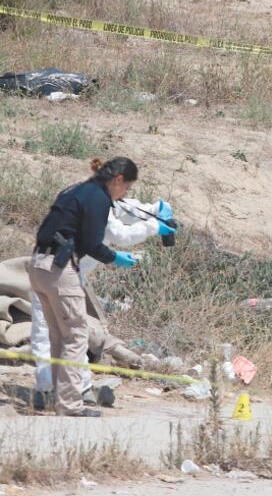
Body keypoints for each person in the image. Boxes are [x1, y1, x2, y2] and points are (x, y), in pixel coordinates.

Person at [30, 160, 175, 410]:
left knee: (55, 335)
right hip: (61, 271)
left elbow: (123, 209)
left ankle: (60, 390)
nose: (126, 194)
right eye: (127, 188)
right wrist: (117, 255)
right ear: (118, 179)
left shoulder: (80, 190)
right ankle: (71, 397)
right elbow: (107, 236)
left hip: (40, 265)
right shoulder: (98, 199)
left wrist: (154, 210)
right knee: (73, 336)